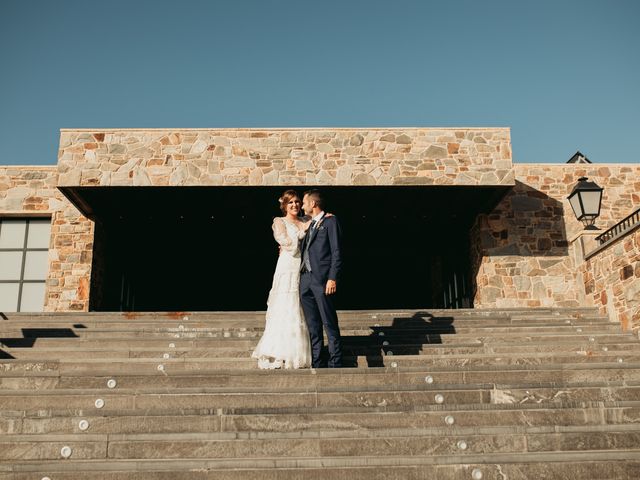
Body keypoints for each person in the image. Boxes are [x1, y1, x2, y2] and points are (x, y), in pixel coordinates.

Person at [252, 190, 312, 369]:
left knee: (299, 305)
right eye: (291, 202)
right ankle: (279, 351)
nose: (295, 205)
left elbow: (320, 219)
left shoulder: (305, 220)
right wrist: (301, 233)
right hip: (287, 265)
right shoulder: (279, 222)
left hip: (303, 267)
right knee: (286, 304)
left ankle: (296, 351)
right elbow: (287, 244)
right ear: (284, 205)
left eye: (297, 202)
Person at [299, 189, 343, 368]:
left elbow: (336, 252)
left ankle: (335, 362)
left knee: (328, 322)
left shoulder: (331, 221)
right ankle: (317, 362)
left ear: (313, 204)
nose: (302, 206)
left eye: (304, 202)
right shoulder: (308, 224)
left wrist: (333, 278)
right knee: (313, 325)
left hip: (323, 280)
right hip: (305, 280)